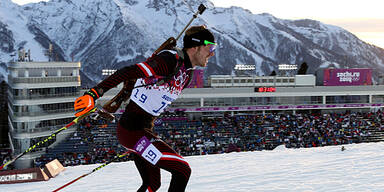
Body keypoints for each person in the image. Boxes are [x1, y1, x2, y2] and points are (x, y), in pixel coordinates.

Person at [74, 25, 216, 192]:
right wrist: (94, 93)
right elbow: (128, 72)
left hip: (142, 132)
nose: (212, 53)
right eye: (210, 47)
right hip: (132, 131)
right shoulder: (169, 61)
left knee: (152, 185)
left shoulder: (188, 72)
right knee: (182, 170)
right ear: (196, 47)